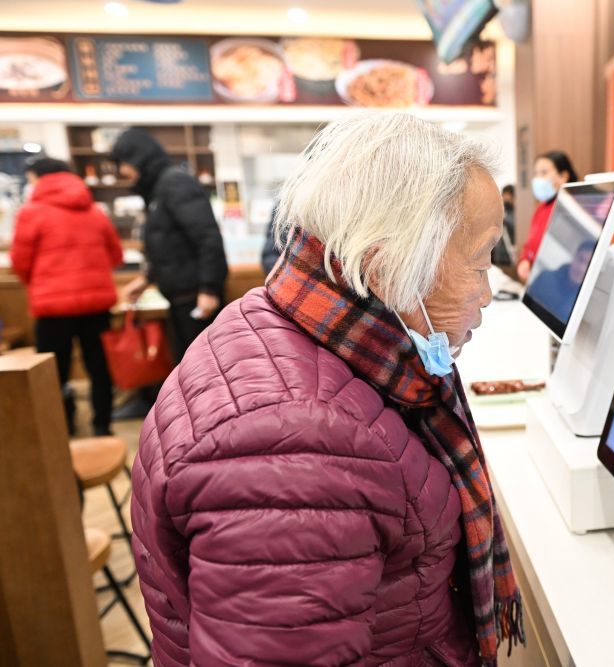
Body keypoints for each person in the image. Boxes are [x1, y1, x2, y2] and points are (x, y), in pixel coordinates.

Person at [130, 113, 523, 666]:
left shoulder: (283, 318)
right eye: (480, 260)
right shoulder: (297, 448)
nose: (487, 292)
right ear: (385, 265)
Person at [11, 157, 121, 436]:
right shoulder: (95, 211)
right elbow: (116, 256)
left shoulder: (31, 212)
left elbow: (20, 263)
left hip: (52, 307)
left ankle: (62, 427)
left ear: (39, 178)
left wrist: (39, 284)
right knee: (99, 367)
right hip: (96, 305)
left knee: (51, 372)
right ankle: (102, 426)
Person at [110, 128, 228, 362]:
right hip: (181, 298)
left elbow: (208, 237)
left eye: (123, 162)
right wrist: (146, 279)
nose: (121, 171)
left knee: (207, 368)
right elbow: (166, 244)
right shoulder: (158, 190)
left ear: (139, 158)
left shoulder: (174, 183)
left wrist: (209, 288)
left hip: (195, 298)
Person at [516, 150, 578, 282]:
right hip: (540, 277)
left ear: (563, 176)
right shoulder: (542, 207)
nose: (538, 178)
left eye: (544, 173)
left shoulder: (571, 208)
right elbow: (531, 242)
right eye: (536, 173)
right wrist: (525, 259)